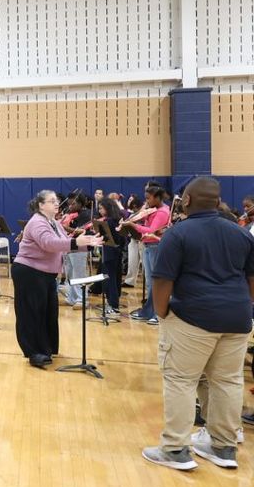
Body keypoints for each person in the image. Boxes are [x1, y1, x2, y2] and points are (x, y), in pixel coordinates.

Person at [140, 177, 254, 471]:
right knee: (228, 381)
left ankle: (175, 448)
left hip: (193, 317)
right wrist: (241, 305)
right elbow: (252, 280)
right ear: (217, 203)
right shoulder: (241, 234)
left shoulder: (178, 234)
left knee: (181, 381)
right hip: (237, 319)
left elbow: (162, 279)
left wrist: (163, 314)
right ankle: (223, 447)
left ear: (186, 201)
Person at [12, 190, 101, 369]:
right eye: (51, 201)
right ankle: (34, 352)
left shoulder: (53, 222)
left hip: (46, 274)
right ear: (40, 205)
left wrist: (88, 245)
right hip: (29, 272)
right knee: (32, 314)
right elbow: (49, 244)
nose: (56, 203)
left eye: (56, 201)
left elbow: (64, 243)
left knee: (48, 312)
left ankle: (47, 348)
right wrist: (78, 242)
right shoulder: (37, 222)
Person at [123, 185, 171, 324]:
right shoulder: (152, 210)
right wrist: (141, 214)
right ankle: (149, 310)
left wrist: (134, 226)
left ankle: (158, 313)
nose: (146, 202)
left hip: (156, 246)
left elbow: (151, 230)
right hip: (148, 246)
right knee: (150, 283)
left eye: (148, 199)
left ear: (157, 197)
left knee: (156, 283)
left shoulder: (162, 212)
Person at [94, 197, 125, 315]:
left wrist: (97, 231)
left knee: (110, 279)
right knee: (116, 278)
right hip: (117, 251)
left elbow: (105, 237)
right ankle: (114, 302)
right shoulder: (117, 219)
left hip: (109, 252)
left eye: (101, 208)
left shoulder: (109, 222)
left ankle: (113, 304)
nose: (100, 211)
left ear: (107, 208)